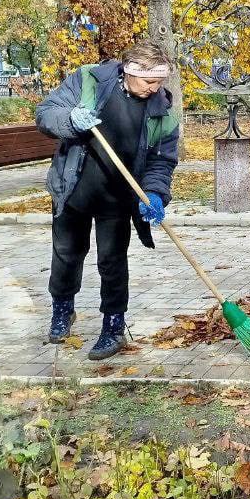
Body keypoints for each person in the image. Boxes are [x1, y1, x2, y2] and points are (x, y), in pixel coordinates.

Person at [35, 41, 180, 361]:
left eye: (160, 82)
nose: (154, 89)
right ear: (129, 72)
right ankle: (62, 310)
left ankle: (113, 326)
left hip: (118, 199)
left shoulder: (162, 113)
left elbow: (162, 161)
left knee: (112, 263)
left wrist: (155, 193)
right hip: (74, 189)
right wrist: (71, 118)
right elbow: (46, 114)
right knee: (65, 255)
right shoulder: (88, 81)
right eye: (148, 82)